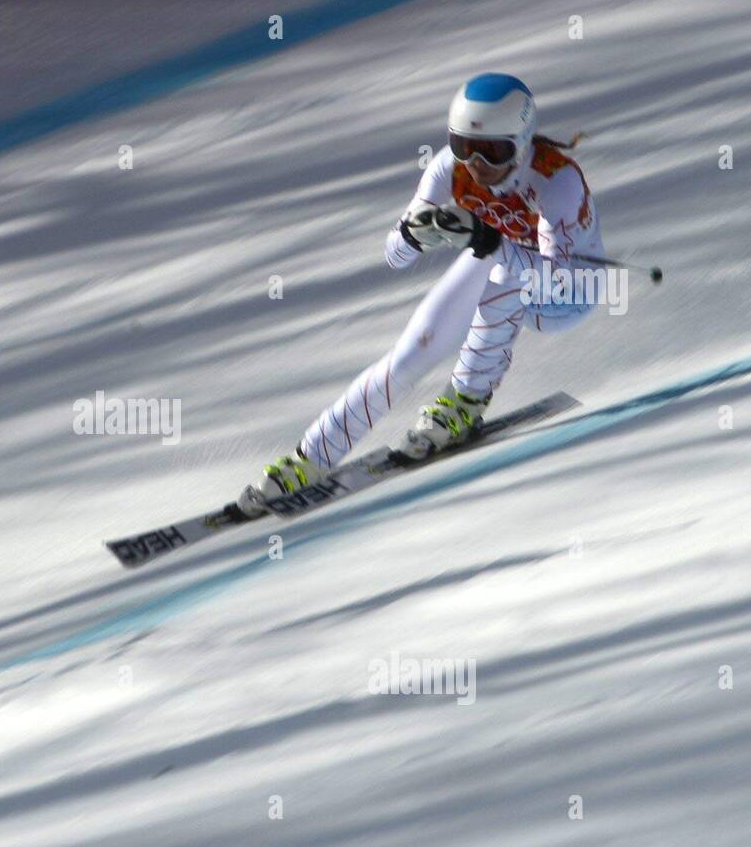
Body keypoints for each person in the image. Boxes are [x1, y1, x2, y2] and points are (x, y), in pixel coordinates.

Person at [238, 72, 604, 516]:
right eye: (462, 145)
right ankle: (309, 459)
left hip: (567, 295)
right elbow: (394, 257)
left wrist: (490, 243)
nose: (476, 164)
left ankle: (466, 402)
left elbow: (560, 280)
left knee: (503, 283)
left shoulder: (556, 181)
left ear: (523, 143)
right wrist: (415, 234)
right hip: (500, 265)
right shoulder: (450, 172)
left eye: (493, 151)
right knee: (412, 353)